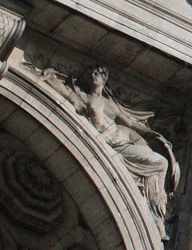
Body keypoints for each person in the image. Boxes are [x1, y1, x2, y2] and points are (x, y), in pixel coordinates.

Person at [45, 65, 178, 239]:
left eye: (97, 73)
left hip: (122, 140)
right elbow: (66, 92)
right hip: (108, 143)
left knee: (161, 163)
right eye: (91, 72)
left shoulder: (111, 104)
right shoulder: (84, 96)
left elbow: (130, 123)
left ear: (104, 78)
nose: (93, 75)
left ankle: (157, 214)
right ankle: (157, 217)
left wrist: (153, 134)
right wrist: (50, 78)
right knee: (160, 164)